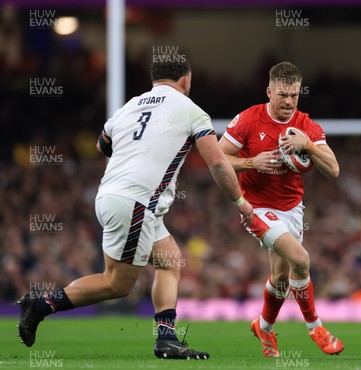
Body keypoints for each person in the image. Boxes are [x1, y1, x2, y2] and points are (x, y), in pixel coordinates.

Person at [17, 58, 253, 360]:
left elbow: (103, 145)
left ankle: (166, 338)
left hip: (115, 196)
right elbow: (218, 161)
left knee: (170, 260)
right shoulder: (191, 110)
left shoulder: (129, 106)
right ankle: (40, 305)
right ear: (185, 80)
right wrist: (239, 202)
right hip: (136, 202)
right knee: (117, 283)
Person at [218, 61, 343, 358]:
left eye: (294, 95)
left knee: (281, 278)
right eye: (283, 94)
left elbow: (334, 170)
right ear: (269, 91)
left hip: (292, 208)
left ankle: (264, 328)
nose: (289, 101)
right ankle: (316, 327)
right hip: (257, 207)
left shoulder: (306, 125)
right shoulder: (248, 119)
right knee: (301, 259)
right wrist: (250, 162)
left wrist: (309, 146)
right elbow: (217, 159)